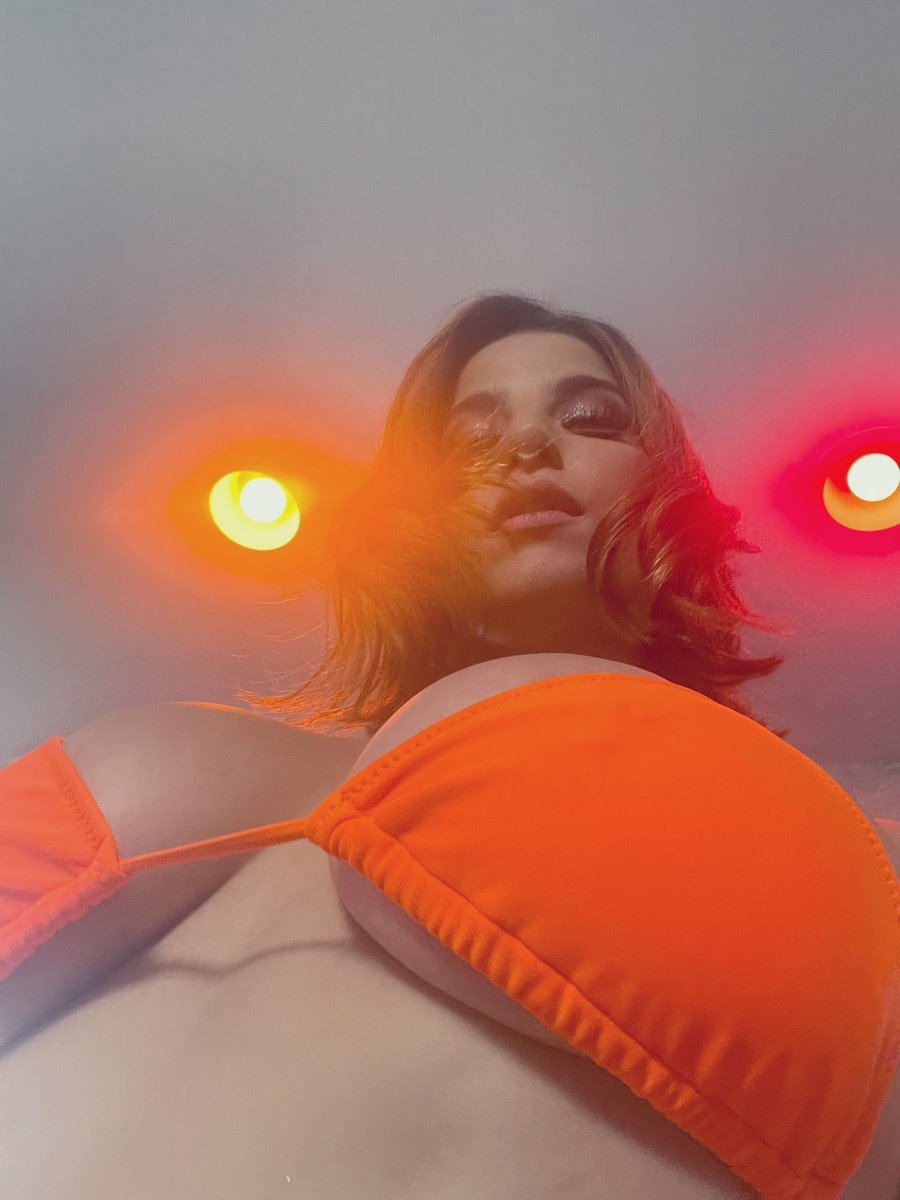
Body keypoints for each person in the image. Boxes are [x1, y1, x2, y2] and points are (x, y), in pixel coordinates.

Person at [2, 292, 898, 1200]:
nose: (527, 445)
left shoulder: (855, 840)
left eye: (591, 418)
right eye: (471, 435)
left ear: (673, 492)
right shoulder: (214, 744)